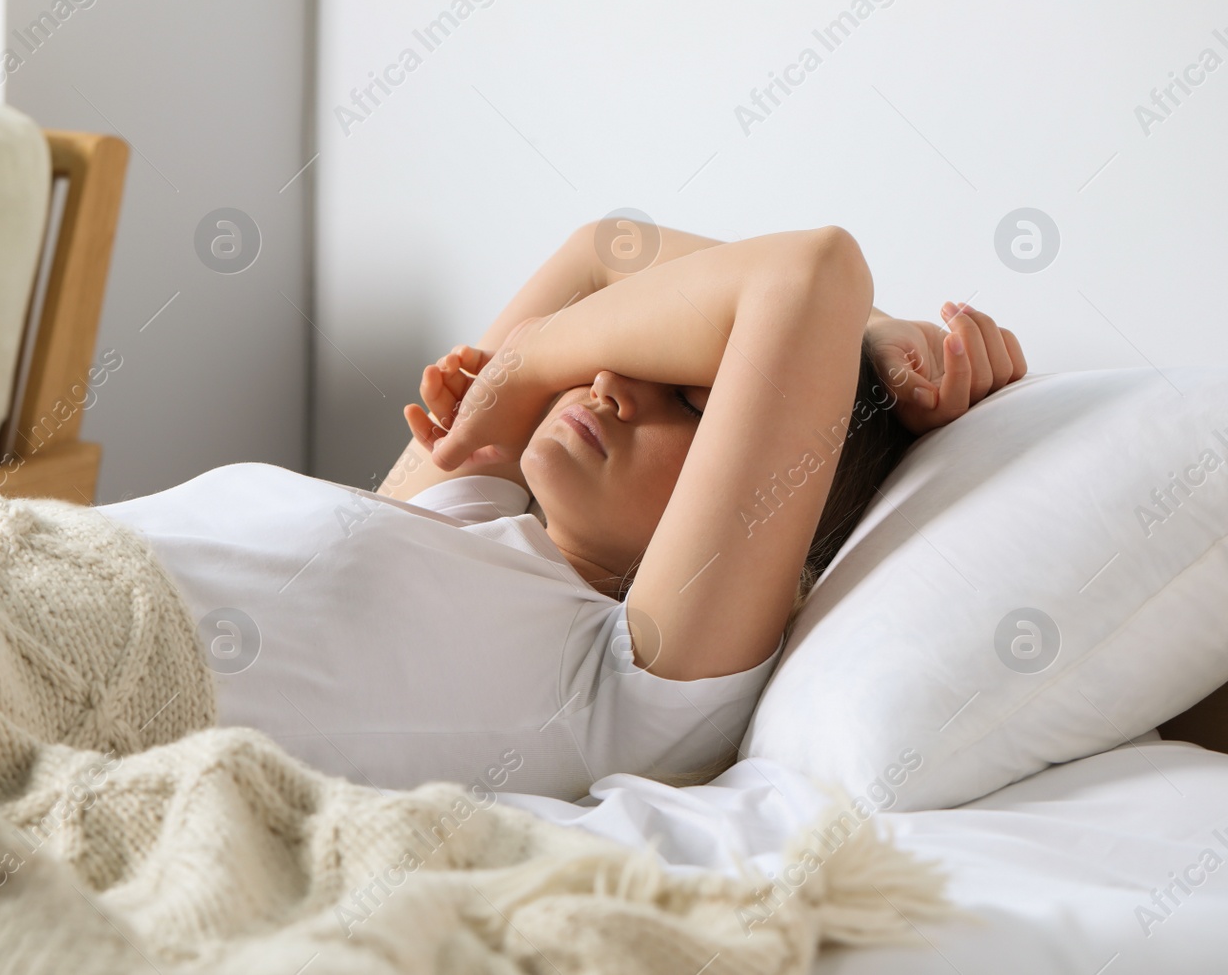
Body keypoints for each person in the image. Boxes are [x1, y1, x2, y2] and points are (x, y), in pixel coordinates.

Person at [101, 222, 1025, 801]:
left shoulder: (638, 682)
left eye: (694, 402)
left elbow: (813, 270)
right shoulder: (461, 511)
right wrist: (869, 332)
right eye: (624, 354)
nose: (613, 378)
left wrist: (534, 355)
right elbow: (604, 251)